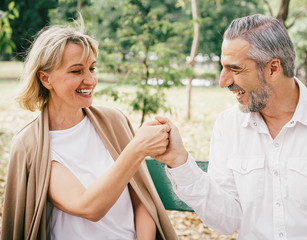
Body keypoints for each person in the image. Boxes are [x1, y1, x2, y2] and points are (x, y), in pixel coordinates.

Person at [154, 14, 307, 239]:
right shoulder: (228, 125)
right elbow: (226, 220)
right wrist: (179, 162)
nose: (223, 81)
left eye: (235, 69)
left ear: (273, 69)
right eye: (223, 68)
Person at [1, 23, 178, 240]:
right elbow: (88, 206)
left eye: (92, 68)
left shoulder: (114, 121)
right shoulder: (33, 144)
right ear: (45, 79)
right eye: (77, 71)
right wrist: (137, 149)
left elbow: (142, 198)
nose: (90, 80)